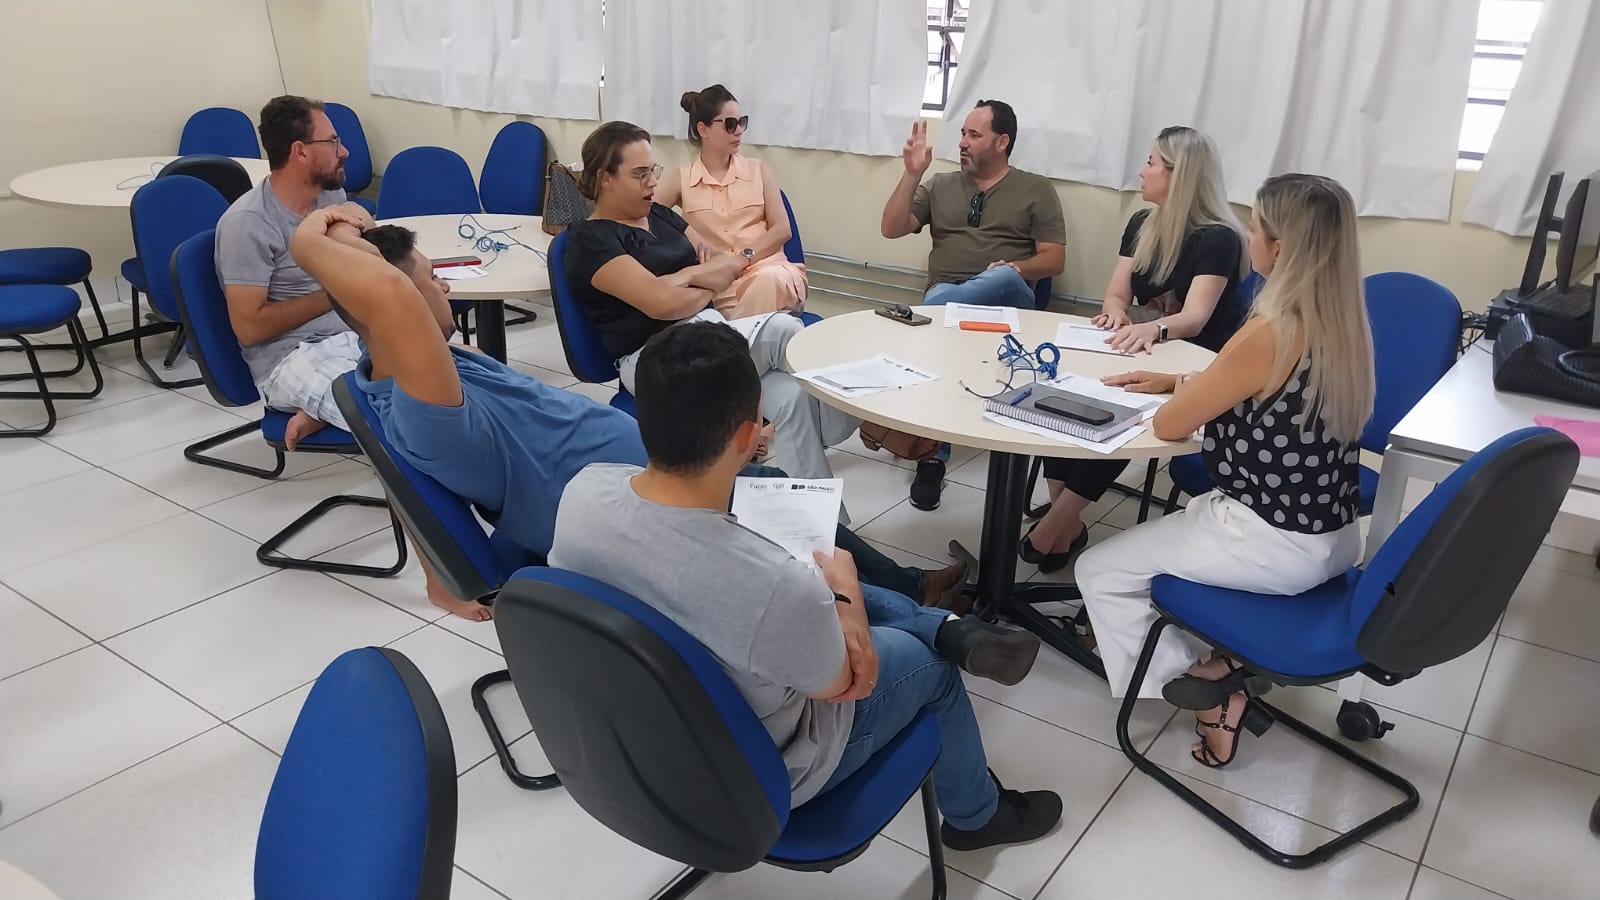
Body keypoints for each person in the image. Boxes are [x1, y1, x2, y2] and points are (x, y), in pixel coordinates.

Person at [287, 214, 967, 620]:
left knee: (777, 491)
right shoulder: (423, 407)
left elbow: (403, 476)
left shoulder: (396, 381)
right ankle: (920, 621)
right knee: (780, 529)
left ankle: (910, 595)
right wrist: (307, 240)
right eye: (429, 278)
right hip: (629, 509)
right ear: (395, 304)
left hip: (639, 471)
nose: (443, 283)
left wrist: (440, 575)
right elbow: (388, 299)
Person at [549, 321, 1062, 850]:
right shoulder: (774, 585)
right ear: (748, 437)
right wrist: (844, 590)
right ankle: (978, 817)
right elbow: (849, 682)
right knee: (928, 665)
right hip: (757, 776)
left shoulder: (582, 495)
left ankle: (939, 623)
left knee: (813, 589)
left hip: (632, 747)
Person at [1074, 173, 1375, 769]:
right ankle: (1220, 660)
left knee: (1100, 571)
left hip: (1271, 543)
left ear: (1279, 248)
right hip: (1334, 536)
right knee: (1176, 534)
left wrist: (1183, 392)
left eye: (1255, 227)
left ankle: (1206, 691)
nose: (1248, 237)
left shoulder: (1270, 328)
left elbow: (1171, 426)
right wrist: (1182, 379)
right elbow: (1258, 390)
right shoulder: (1342, 324)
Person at [563, 121, 856, 483]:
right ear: (605, 178)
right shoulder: (590, 241)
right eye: (640, 175)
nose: (652, 183)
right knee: (782, 328)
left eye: (653, 171)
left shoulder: (659, 215)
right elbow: (662, 305)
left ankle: (814, 513)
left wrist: (685, 279)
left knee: (793, 398)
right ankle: (857, 414)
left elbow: (723, 263)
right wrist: (702, 282)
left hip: (707, 334)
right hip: (654, 359)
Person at [1024, 126, 1248, 571]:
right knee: (1063, 393)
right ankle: (1065, 520)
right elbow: (1116, 294)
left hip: (1191, 364)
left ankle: (1059, 522)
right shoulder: (1142, 223)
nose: (1142, 171)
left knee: (1119, 413)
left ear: (1179, 175)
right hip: (1140, 345)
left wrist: (1152, 329)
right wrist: (1115, 313)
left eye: (1151, 163)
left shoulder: (1218, 237)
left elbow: (1195, 318)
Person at [879, 100, 1066, 510]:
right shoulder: (940, 185)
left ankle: (932, 318)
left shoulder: (1035, 189)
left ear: (1002, 142)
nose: (962, 142)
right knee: (943, 311)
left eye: (974, 135)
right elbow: (891, 229)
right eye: (962, 133)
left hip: (1010, 307)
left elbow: (1054, 259)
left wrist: (1016, 267)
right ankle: (932, 459)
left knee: (994, 281)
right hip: (949, 302)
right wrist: (912, 174)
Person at [215, 95, 375, 450]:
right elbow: (250, 328)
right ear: (300, 152)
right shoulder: (248, 224)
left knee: (453, 378)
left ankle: (321, 413)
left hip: (353, 335)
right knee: (392, 411)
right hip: (292, 356)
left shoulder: (331, 197)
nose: (345, 151)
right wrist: (335, 294)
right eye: (332, 141)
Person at [653, 84, 807, 319]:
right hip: (722, 287)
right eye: (730, 124)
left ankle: (734, 333)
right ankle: (740, 333)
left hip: (772, 272)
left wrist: (742, 258)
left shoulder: (759, 170)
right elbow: (647, 212)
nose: (739, 131)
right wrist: (686, 234)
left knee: (769, 282)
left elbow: (782, 229)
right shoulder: (681, 179)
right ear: (703, 129)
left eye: (742, 122)